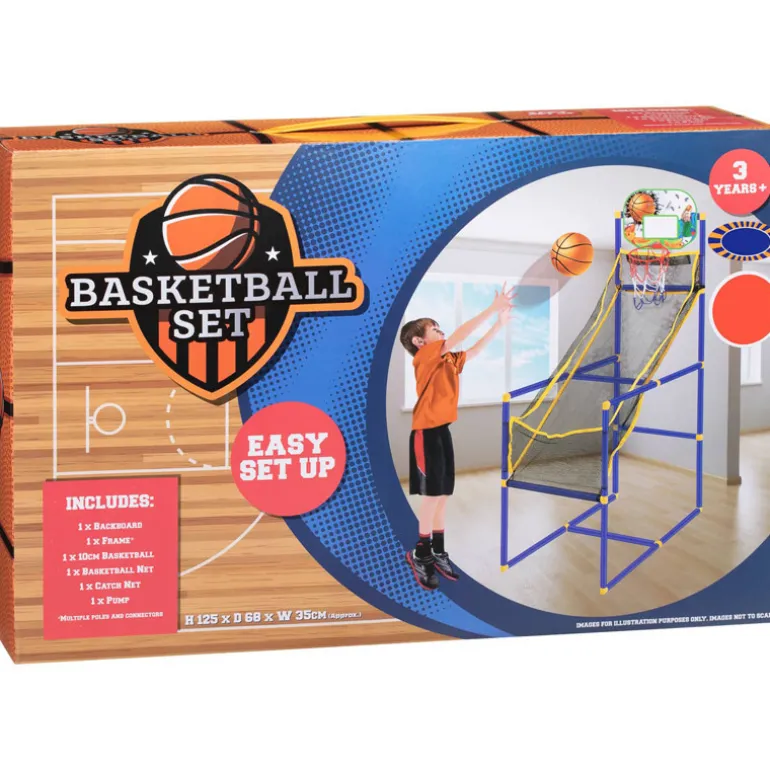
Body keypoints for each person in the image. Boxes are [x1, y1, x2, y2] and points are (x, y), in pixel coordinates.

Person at [399, 284, 515, 589]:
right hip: (425, 432)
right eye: (434, 328)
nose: (441, 330)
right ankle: (420, 553)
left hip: (442, 431)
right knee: (432, 496)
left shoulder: (448, 359)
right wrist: (491, 309)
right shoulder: (425, 356)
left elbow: (474, 350)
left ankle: (437, 550)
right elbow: (462, 335)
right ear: (420, 341)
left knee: (443, 496)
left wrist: (499, 325)